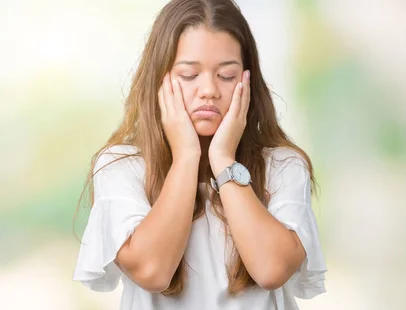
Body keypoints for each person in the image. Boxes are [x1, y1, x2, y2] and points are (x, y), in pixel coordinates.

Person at [72, 0, 327, 309]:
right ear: (159, 80)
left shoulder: (283, 165)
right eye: (189, 75)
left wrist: (223, 160)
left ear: (248, 81)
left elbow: (271, 269)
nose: (209, 90)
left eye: (227, 76)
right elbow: (152, 271)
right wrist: (186, 157)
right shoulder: (121, 166)